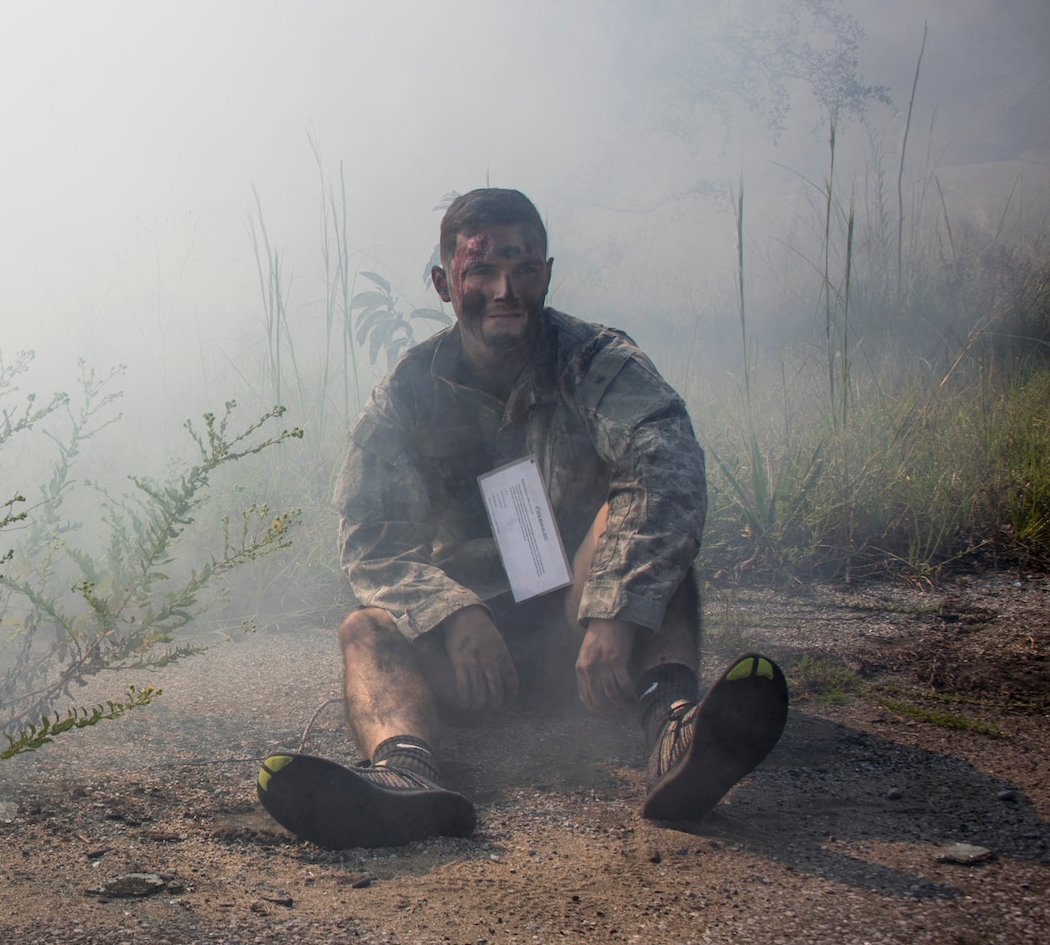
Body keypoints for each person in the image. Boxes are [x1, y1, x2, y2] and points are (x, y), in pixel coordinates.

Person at [256, 188, 788, 849]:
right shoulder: (405, 394)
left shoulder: (597, 360)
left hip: (587, 634)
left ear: (547, 275)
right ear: (443, 283)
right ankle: (404, 776)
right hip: (474, 659)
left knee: (648, 541)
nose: (507, 289)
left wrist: (615, 609)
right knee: (364, 629)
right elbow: (372, 536)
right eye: (481, 270)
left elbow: (665, 474)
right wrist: (451, 612)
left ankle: (676, 733)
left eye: (524, 267)